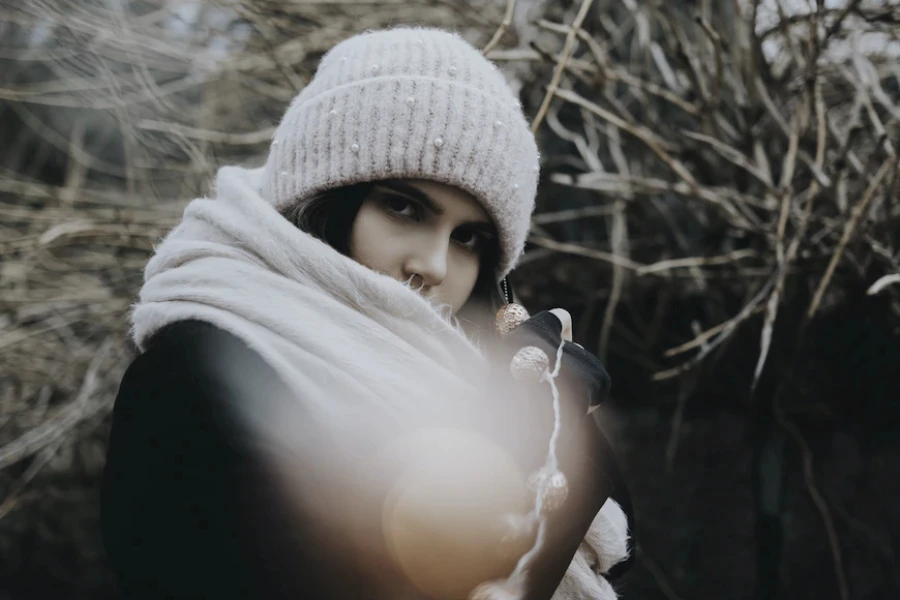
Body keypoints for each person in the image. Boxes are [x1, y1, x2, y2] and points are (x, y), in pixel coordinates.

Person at [100, 27, 634, 600]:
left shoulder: (457, 379)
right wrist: (524, 449)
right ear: (325, 201)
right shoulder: (195, 378)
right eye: (403, 206)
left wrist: (552, 424)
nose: (431, 263)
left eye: (469, 238)